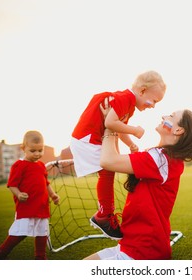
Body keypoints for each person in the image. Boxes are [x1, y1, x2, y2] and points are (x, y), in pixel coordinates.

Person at [84, 108, 192, 260]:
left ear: (178, 130)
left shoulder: (161, 160)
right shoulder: (161, 157)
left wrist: (110, 125)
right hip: (130, 244)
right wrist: (115, 125)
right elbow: (114, 158)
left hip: (144, 251)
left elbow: (108, 161)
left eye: (171, 116)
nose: (164, 114)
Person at [70, 70, 166, 240]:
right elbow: (110, 123)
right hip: (87, 138)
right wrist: (135, 130)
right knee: (108, 170)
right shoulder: (124, 98)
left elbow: (117, 127)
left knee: (110, 168)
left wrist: (130, 144)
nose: (153, 106)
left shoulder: (128, 104)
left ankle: (105, 214)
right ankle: (104, 216)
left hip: (93, 138)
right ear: (142, 91)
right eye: (154, 101)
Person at [0, 131, 60, 260]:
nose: (37, 154)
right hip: (26, 206)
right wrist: (18, 193)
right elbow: (12, 184)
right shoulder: (19, 165)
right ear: (23, 148)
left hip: (42, 206)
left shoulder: (40, 166)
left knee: (42, 233)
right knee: (20, 233)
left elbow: (45, 183)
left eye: (40, 150)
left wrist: (53, 195)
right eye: (33, 151)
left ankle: (40, 257)